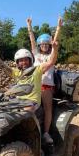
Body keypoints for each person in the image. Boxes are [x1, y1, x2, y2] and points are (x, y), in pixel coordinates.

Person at [0, 39, 59, 144]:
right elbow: (2, 66)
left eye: (26, 60)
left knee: (24, 115)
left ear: (30, 60)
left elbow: (51, 62)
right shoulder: (17, 73)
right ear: (17, 62)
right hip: (17, 101)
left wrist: (54, 48)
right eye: (20, 60)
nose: (23, 63)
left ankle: (33, 140)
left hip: (32, 102)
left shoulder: (37, 70)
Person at [26, 16, 62, 144]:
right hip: (34, 86)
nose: (45, 46)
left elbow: (55, 42)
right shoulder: (36, 54)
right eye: (43, 44)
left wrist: (58, 27)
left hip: (47, 87)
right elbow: (32, 42)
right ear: (40, 45)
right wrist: (29, 26)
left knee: (47, 109)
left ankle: (46, 133)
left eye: (47, 44)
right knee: (29, 108)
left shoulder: (52, 55)